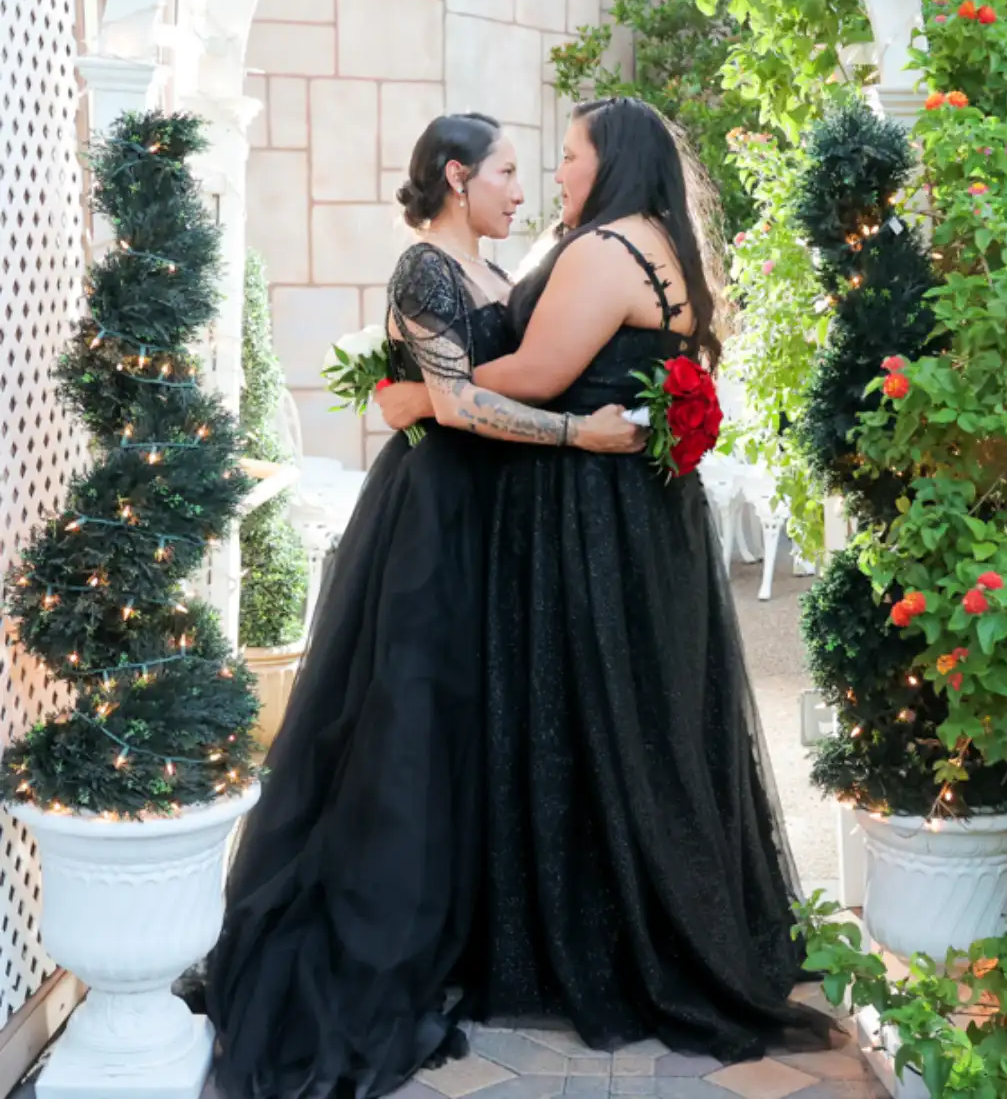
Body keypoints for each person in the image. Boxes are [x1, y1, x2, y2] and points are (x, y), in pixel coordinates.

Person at [375, 97, 834, 1062]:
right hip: (644, 512)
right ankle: (652, 914)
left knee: (584, 715)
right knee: (643, 717)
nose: (557, 173)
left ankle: (602, 939)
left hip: (584, 513)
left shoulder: (603, 249)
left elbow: (540, 374)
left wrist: (425, 388)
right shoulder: (664, 244)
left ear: (611, 161)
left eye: (572, 155)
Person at [207, 112, 645, 1099]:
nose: (519, 189)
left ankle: (481, 928)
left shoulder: (496, 271)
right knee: (411, 724)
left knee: (477, 721)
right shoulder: (425, 272)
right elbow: (456, 405)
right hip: (436, 518)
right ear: (455, 177)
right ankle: (377, 937)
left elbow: (474, 355)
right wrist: (584, 438)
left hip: (498, 517)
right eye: (503, 173)